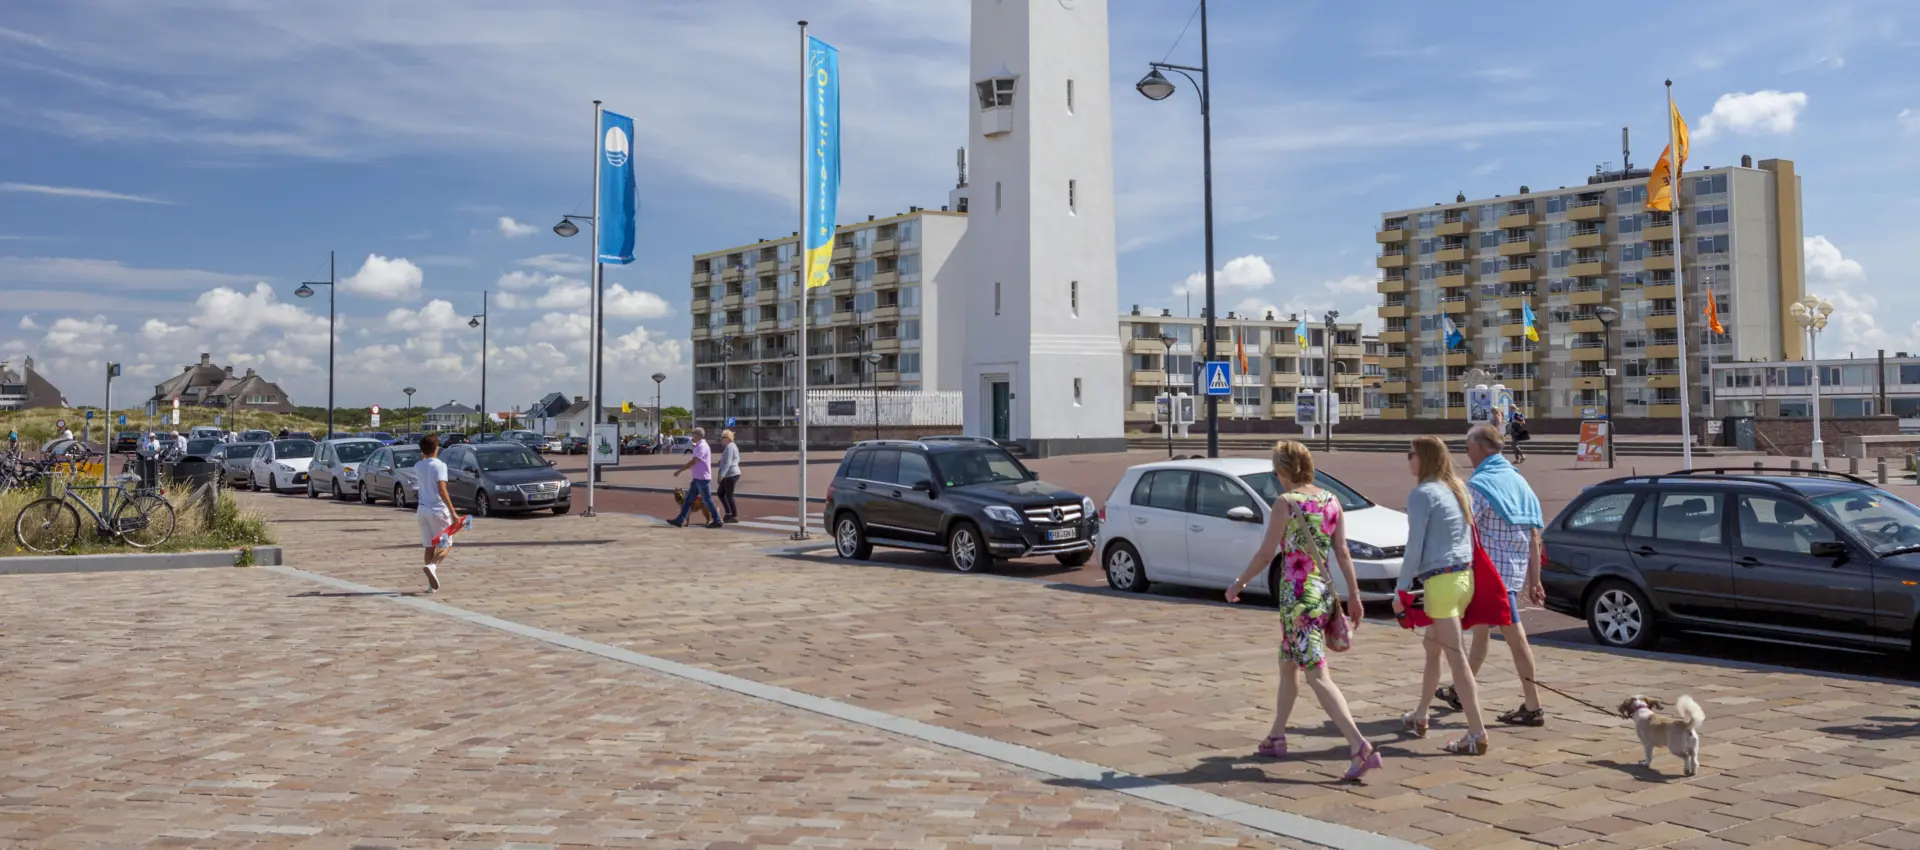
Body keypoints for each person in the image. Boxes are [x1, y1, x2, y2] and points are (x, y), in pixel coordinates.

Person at [1226, 440, 1380, 782]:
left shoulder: (1286, 503)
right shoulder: (1331, 500)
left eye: (1276, 469)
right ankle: (1276, 736)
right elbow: (1342, 552)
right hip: (1323, 593)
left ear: (1283, 470)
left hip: (1298, 600)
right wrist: (1354, 595)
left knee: (1317, 675)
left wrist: (1239, 582)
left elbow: (1267, 553)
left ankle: (1359, 746)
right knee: (1287, 664)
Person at [1433, 424, 1549, 726]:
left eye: (1469, 448)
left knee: (1516, 638)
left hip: (1490, 574)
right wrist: (1534, 579)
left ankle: (1533, 706)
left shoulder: (1481, 484)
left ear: (1483, 448)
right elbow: (1534, 534)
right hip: (1513, 570)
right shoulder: (1519, 481)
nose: (1467, 454)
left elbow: (1461, 528)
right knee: (1481, 631)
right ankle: (1460, 690)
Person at [1396, 435, 1493, 755]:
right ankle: (1421, 714)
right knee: (1432, 647)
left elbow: (1414, 544)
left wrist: (1401, 588)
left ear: (1422, 458)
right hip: (1464, 579)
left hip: (1440, 583)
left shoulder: (1422, 494)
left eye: (1410, 454)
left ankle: (1477, 732)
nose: (1407, 459)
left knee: (1456, 659)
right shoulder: (1457, 488)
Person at [413, 433, 459, 593]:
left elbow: (423, 457)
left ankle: (430, 585)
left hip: (422, 510)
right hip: (438, 510)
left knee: (429, 546)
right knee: (446, 543)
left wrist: (425, 452)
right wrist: (453, 512)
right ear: (436, 448)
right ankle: (432, 566)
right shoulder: (440, 465)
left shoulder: (418, 465)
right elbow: (442, 489)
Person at [668, 426, 723, 529]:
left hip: (702, 479)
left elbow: (694, 461)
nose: (691, 436)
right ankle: (680, 520)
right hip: (697, 478)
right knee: (688, 499)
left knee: (707, 500)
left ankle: (717, 520)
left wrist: (680, 470)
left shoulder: (702, 446)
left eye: (693, 434)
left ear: (698, 435)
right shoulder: (699, 445)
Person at [714, 429, 742, 523]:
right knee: (721, 493)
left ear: (727, 438)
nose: (721, 440)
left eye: (722, 438)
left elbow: (728, 463)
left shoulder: (730, 447)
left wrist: (722, 475)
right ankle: (728, 513)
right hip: (731, 473)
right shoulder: (733, 446)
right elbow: (737, 459)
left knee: (728, 495)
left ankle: (734, 515)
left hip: (730, 474)